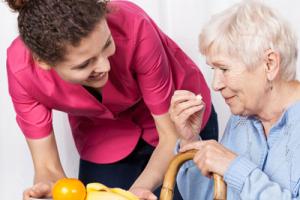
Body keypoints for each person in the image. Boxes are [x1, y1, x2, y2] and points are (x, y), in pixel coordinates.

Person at [5, 0, 218, 199]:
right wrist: (52, 189)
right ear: (43, 62)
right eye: (84, 64)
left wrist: (135, 193)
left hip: (176, 121)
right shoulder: (22, 70)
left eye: (107, 44)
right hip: (104, 132)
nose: (105, 67)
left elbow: (170, 137)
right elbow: (48, 168)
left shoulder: (134, 25)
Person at [169, 1, 300, 199]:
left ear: (269, 64)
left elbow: (233, 170)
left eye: (224, 69)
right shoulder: (241, 120)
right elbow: (206, 197)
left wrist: (235, 168)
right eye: (214, 70)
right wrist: (190, 140)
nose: (215, 84)